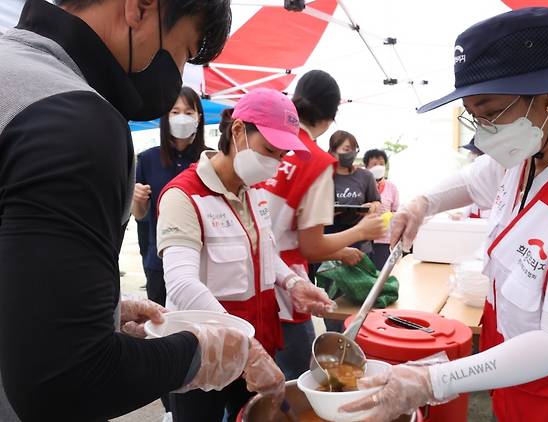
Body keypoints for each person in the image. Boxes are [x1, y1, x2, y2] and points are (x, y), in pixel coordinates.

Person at [340, 7, 548, 422]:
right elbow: (475, 180)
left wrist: (433, 381)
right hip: (526, 386)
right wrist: (423, 204)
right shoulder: (532, 150)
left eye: (491, 112)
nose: (484, 130)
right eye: (474, 114)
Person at [0, 1, 283, 420]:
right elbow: (63, 383)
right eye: (184, 51)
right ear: (140, 8)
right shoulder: (76, 120)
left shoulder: (13, 70)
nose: (177, 75)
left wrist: (99, 309)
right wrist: (199, 352)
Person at [157, 88, 335, 422]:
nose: (274, 163)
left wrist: (293, 283)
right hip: (205, 353)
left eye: (281, 155)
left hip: (257, 343)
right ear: (238, 130)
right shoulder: (183, 196)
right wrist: (243, 344)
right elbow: (181, 284)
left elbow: (265, 250)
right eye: (269, 150)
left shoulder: (253, 194)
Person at [260, 70, 386, 379]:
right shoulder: (314, 161)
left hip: (252, 284)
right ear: (332, 116)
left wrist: (342, 251)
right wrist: (361, 232)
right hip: (287, 290)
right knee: (295, 383)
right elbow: (311, 246)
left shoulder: (267, 146)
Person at [132, 86, 209, 307]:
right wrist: (137, 201)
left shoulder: (209, 159)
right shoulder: (147, 159)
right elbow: (140, 216)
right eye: (175, 112)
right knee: (160, 324)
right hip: (158, 260)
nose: (182, 118)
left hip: (201, 261)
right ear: (165, 117)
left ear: (199, 118)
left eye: (189, 112)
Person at [325, 130, 382, 255]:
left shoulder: (365, 176)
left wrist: (372, 207)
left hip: (359, 237)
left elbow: (377, 202)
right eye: (346, 149)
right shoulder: (323, 175)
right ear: (333, 151)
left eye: (354, 149)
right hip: (328, 236)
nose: (351, 153)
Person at [363, 149, 400, 269]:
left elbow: (396, 211)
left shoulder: (392, 187)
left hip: (384, 241)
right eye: (374, 164)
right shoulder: (361, 185)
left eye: (381, 164)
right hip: (363, 239)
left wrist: (389, 216)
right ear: (366, 166)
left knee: (382, 275)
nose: (378, 167)